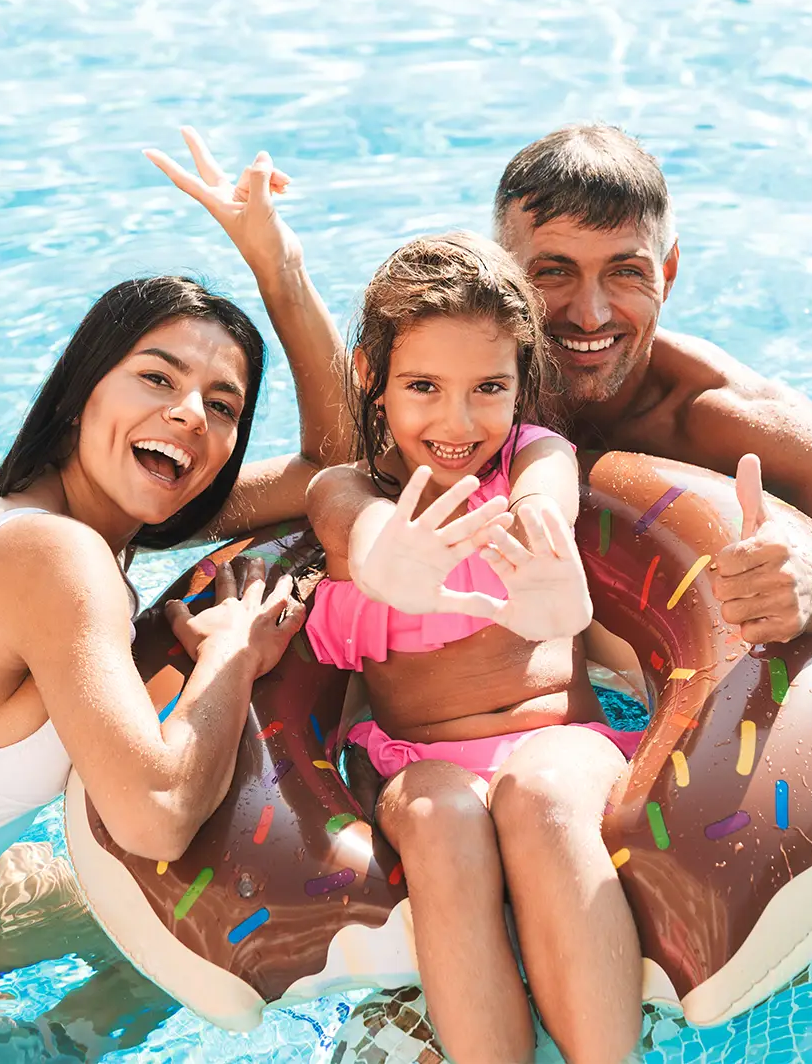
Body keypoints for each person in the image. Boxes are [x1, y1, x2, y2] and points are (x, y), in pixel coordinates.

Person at [0, 126, 349, 970]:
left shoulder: (43, 520)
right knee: (229, 899)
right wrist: (229, 653)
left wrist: (281, 269)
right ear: (82, 395)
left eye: (223, 405)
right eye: (158, 377)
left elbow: (333, 470)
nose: (193, 413)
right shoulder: (54, 556)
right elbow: (156, 813)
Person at [305, 232, 644, 1064]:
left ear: (522, 383)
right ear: (368, 376)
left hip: (561, 740)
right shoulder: (346, 489)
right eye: (424, 386)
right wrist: (390, 560)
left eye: (488, 387)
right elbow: (361, 525)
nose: (458, 422)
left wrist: (549, 573)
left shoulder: (534, 456)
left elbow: (545, 498)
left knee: (538, 791)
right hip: (416, 760)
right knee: (442, 821)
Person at [495, 122, 812, 648]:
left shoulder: (735, 422)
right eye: (555, 272)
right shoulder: (449, 387)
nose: (590, 315)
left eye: (626, 272)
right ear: (501, 274)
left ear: (667, 272)